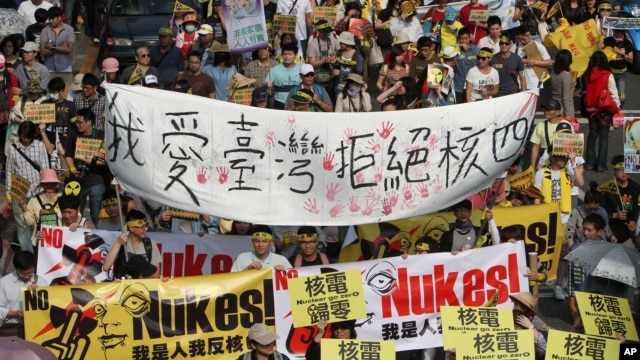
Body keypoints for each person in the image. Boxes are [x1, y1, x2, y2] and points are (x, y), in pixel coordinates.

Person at [5, 121, 49, 252]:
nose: (25, 140)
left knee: (38, 224)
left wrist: (47, 191)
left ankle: (40, 254)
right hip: (19, 193)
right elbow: (9, 172)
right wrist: (8, 194)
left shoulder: (40, 146)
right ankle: (28, 257)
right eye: (23, 137)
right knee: (22, 226)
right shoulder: (13, 148)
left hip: (37, 193)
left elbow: (45, 169)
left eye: (28, 137)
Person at [65, 108, 108, 225]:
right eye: (76, 122)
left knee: (96, 214)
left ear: (89, 122)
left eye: (80, 122)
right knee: (77, 212)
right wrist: (72, 169)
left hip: (96, 180)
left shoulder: (101, 136)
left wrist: (92, 162)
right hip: (78, 180)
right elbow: (68, 155)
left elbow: (107, 160)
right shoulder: (73, 135)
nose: (77, 125)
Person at [583, 51, 620, 171]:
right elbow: (613, 92)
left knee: (592, 135)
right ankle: (601, 165)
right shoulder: (607, 75)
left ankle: (589, 162)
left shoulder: (587, 74)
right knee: (604, 137)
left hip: (591, 109)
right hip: (604, 109)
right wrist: (617, 108)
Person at [103, 210, 162, 279]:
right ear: (131, 228)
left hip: (143, 285)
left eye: (146, 226)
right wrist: (118, 243)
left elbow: (156, 275)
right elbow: (106, 267)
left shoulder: (150, 244)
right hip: (123, 286)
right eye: (142, 227)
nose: (146, 229)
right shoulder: (120, 242)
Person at [0, 251, 48, 327]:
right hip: (12, 328)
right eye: (22, 273)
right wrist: (15, 313)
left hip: (35, 328)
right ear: (16, 269)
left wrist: (39, 292)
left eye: (30, 273)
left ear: (34, 268)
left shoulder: (41, 282)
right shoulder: (4, 282)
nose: (26, 276)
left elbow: (50, 308)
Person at [600, 155, 640, 247]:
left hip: (630, 234)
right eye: (621, 169)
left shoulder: (636, 188)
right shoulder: (606, 190)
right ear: (614, 170)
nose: (624, 172)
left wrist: (634, 221)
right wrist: (613, 215)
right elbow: (599, 212)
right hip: (612, 234)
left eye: (627, 168)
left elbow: (637, 208)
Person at [43, 76, 76, 170]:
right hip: (49, 143)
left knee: (65, 169)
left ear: (61, 91)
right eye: (50, 92)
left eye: (54, 92)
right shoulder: (44, 104)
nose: (51, 95)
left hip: (66, 142)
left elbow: (73, 125)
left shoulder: (70, 105)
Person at [528, 99, 572, 168]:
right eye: (545, 110)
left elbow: (573, 144)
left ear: (558, 112)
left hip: (563, 161)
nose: (546, 112)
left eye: (549, 110)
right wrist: (533, 166)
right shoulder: (540, 126)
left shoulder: (566, 125)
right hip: (545, 162)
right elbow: (536, 147)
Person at [39, 7, 75, 85]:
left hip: (65, 69)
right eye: (49, 19)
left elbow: (69, 49)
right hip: (49, 69)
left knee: (66, 94)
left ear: (59, 18)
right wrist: (62, 48)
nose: (50, 21)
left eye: (52, 19)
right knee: (51, 94)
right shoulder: (45, 31)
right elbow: (43, 51)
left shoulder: (69, 30)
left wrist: (52, 47)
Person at [509, 292, 547, 358]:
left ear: (524, 308)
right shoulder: (509, 316)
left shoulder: (535, 320)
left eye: (516, 305)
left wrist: (531, 327)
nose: (513, 307)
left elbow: (543, 349)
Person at [265, 43, 301, 109]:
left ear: (295, 55)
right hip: (279, 103)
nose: (287, 56)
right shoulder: (274, 70)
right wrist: (267, 85)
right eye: (285, 54)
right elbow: (266, 85)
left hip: (297, 103)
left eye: (290, 54)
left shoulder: (301, 70)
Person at [603, 29, 633, 106]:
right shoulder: (608, 40)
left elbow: (631, 60)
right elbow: (599, 47)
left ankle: (618, 110)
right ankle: (611, 111)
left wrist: (621, 53)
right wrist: (602, 36)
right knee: (609, 95)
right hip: (610, 74)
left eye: (620, 31)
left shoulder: (627, 43)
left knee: (621, 97)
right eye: (616, 31)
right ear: (613, 31)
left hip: (622, 74)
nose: (618, 33)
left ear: (623, 32)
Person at [0, 54, 18, 164]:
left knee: (7, 144)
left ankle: (6, 168)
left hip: (7, 116)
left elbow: (16, 93)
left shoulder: (10, 77)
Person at [453, 27, 479, 103]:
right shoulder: (455, 50)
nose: (464, 41)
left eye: (466, 38)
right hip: (458, 86)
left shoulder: (476, 50)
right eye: (461, 39)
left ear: (470, 38)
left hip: (473, 86)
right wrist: (458, 46)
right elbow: (448, 52)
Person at [551, 49, 575, 119]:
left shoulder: (553, 72)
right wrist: (568, 114)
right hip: (564, 107)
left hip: (555, 103)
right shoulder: (566, 76)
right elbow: (565, 97)